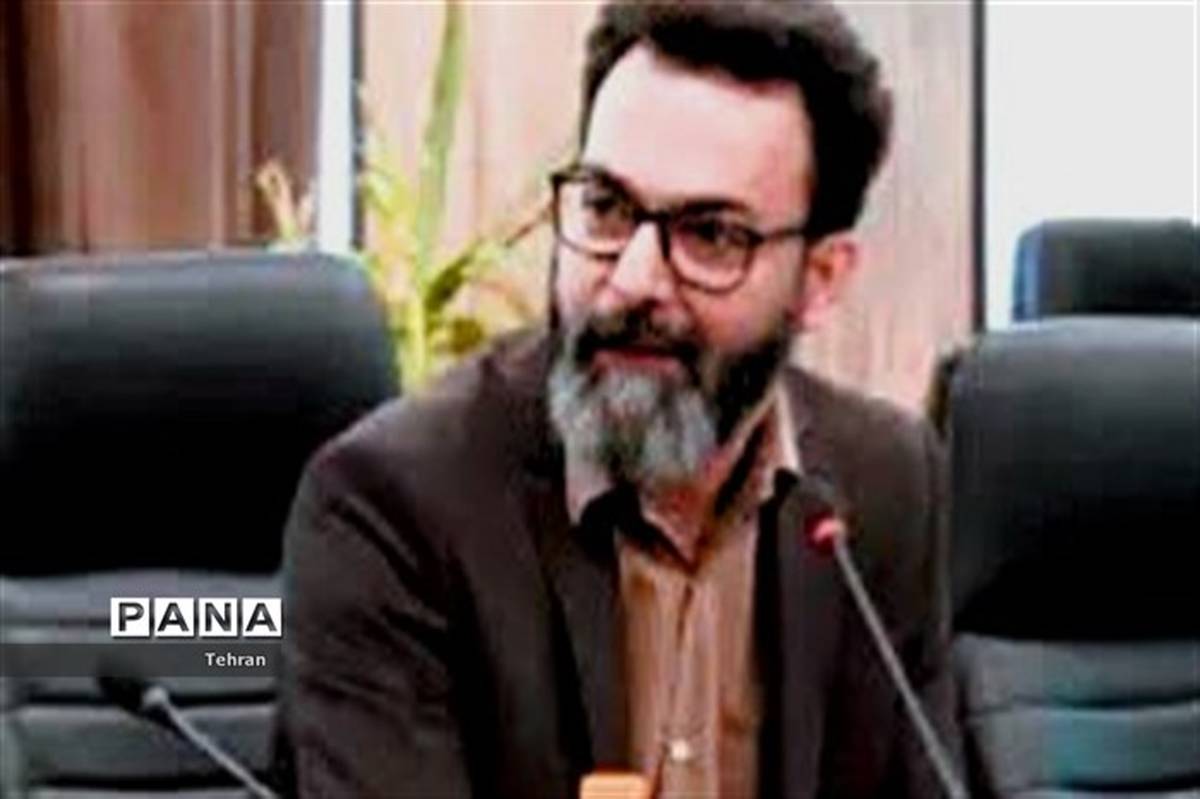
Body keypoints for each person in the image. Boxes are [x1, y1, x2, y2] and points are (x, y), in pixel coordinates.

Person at [279, 2, 958, 797]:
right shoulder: (397, 508)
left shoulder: (886, 488)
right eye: (605, 208)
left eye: (711, 234)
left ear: (820, 279)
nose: (632, 279)